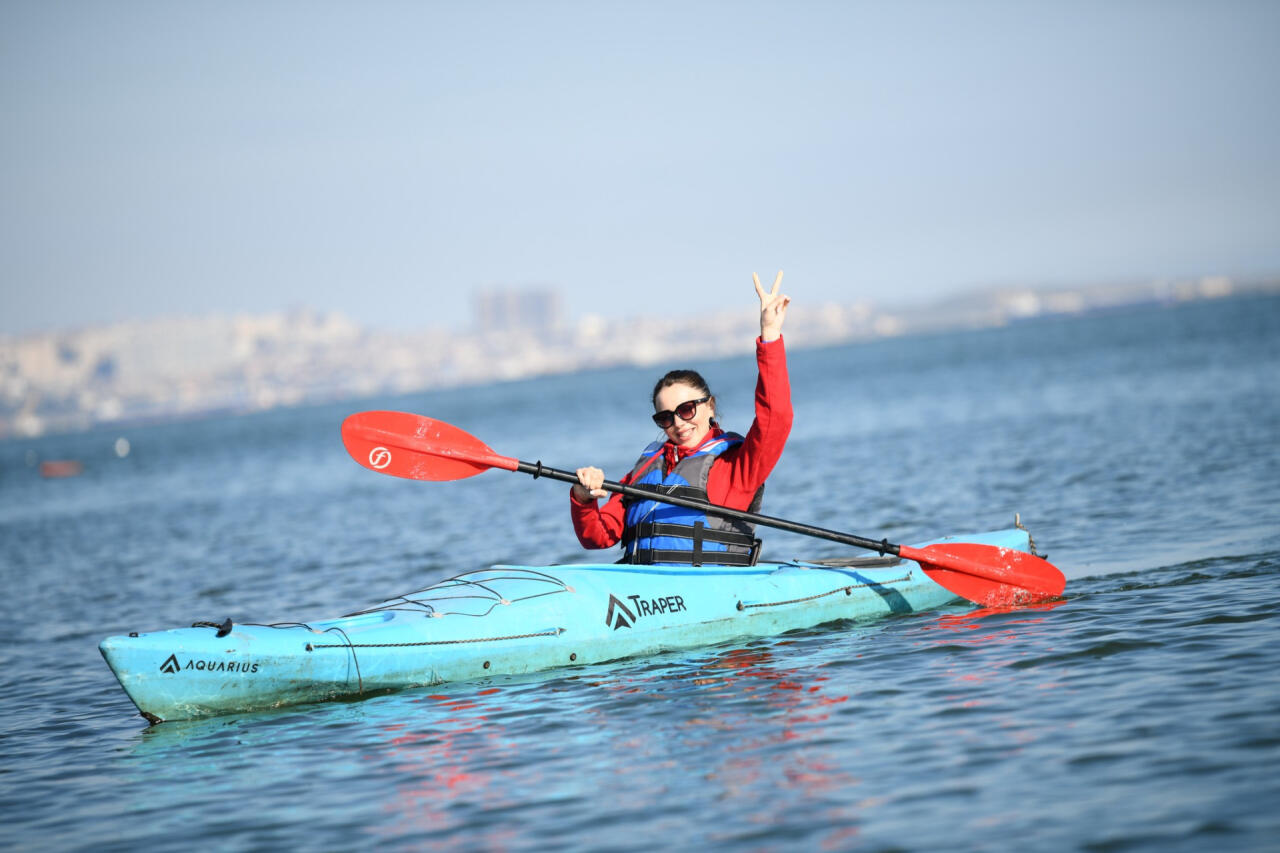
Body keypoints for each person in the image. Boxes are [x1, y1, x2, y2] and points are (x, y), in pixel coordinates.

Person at [570, 272, 792, 565]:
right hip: (645, 590)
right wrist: (583, 497)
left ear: (709, 406)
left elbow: (775, 416)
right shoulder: (646, 468)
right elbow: (597, 537)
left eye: (687, 409)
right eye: (665, 417)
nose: (678, 423)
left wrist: (770, 336)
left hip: (709, 587)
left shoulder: (737, 466)